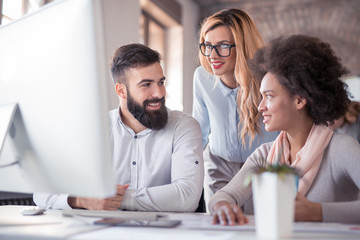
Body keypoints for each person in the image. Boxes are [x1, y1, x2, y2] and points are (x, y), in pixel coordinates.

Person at [209, 34, 360, 225]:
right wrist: (223, 206)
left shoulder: (341, 149)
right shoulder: (264, 155)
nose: (260, 106)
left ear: (299, 100)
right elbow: (226, 195)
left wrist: (317, 212)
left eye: (269, 96)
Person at [34, 43, 204, 212]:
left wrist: (110, 199)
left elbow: (187, 196)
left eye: (160, 82)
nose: (159, 93)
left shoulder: (184, 127)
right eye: (146, 84)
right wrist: (80, 200)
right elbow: (41, 192)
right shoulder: (92, 129)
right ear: (121, 91)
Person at [192, 8, 278, 208]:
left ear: (242, 46)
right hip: (219, 166)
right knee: (220, 227)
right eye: (207, 45)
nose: (212, 55)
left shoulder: (269, 78)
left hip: (265, 166)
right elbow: (199, 132)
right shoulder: (202, 78)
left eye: (222, 46)